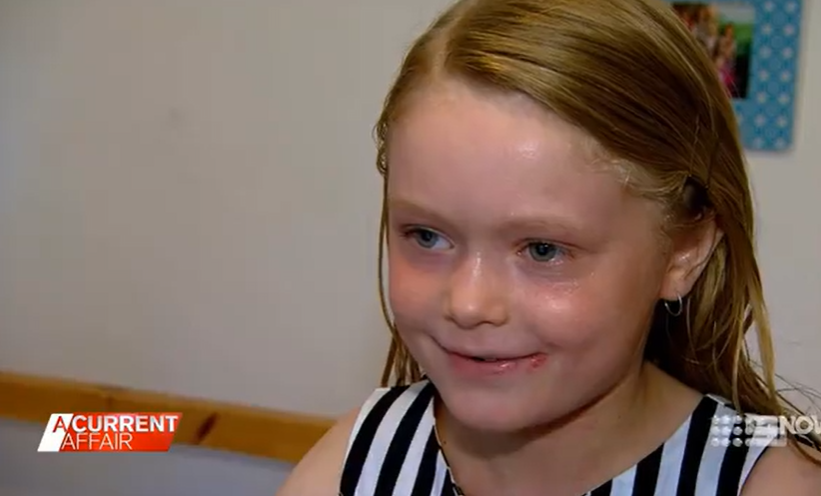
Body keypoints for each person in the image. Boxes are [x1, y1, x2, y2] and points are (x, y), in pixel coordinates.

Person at [277, 0, 821, 494]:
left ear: (683, 250)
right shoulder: (355, 463)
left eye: (542, 250)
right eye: (427, 236)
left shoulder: (772, 484)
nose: (468, 303)